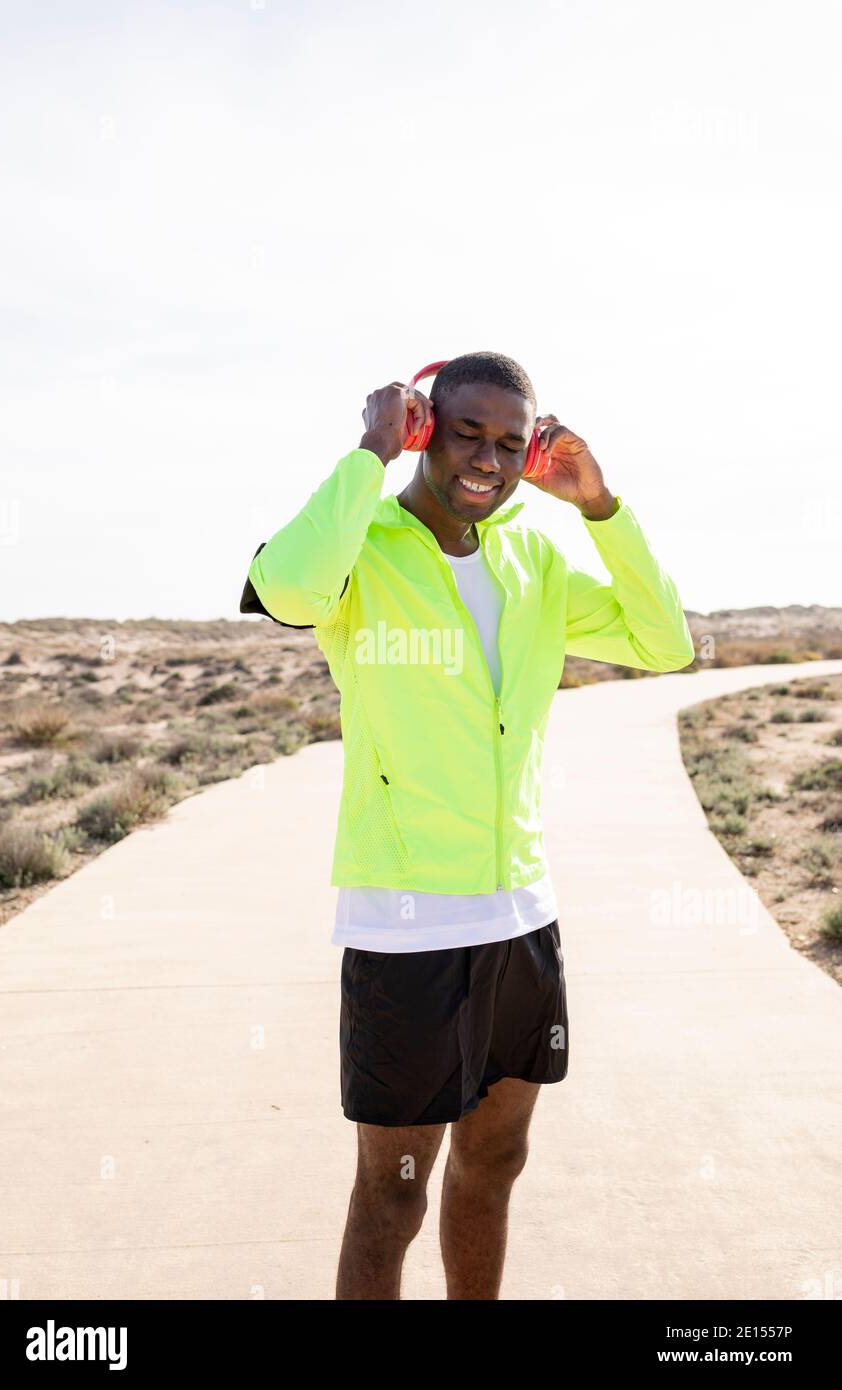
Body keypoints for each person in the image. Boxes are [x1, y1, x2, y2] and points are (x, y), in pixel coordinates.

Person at [245, 350, 695, 1299]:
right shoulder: (359, 548)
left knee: (494, 1168)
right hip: (406, 924)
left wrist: (601, 508)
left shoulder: (533, 556)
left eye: (509, 441)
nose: (487, 458)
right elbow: (284, 592)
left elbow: (666, 643)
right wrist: (367, 452)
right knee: (391, 1196)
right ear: (423, 427)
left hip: (521, 918)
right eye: (466, 432)